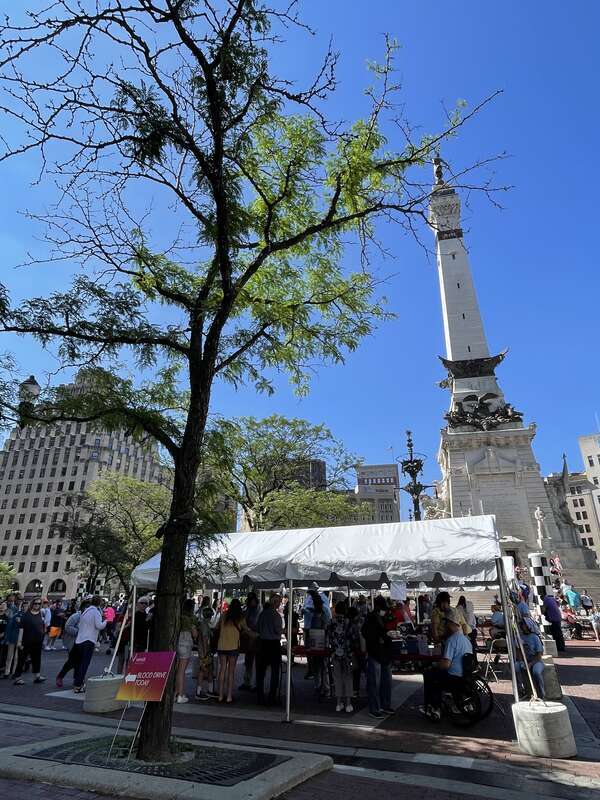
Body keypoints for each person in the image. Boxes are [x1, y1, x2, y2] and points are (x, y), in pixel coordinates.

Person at [421, 607, 472, 722]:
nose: (444, 626)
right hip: (465, 675)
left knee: (430, 675)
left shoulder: (452, 640)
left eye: (446, 623)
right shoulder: (466, 640)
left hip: (453, 677)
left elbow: (445, 665)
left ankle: (435, 707)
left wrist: (435, 665)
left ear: (450, 624)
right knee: (435, 673)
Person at [361, 595, 393, 720]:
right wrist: (378, 638)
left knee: (385, 682)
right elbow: (366, 633)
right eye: (383, 608)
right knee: (375, 683)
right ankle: (374, 708)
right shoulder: (371, 618)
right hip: (376, 653)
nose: (385, 611)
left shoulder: (383, 617)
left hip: (384, 654)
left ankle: (385, 705)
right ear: (379, 607)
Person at [328, 602, 359, 712]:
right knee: (348, 678)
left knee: (337, 679)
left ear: (336, 610)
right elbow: (354, 639)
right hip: (348, 655)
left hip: (335, 654)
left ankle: (338, 703)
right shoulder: (349, 623)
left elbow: (328, 639)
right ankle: (348, 704)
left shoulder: (331, 623)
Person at [216, 597, 247, 703]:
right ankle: (229, 696)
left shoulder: (224, 615)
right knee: (231, 671)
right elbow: (246, 630)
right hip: (233, 647)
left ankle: (220, 695)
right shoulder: (240, 618)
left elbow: (216, 627)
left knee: (222, 669)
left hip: (221, 646)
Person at [72, 596, 107, 692]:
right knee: (84, 664)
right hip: (89, 640)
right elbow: (99, 625)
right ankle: (78, 685)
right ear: (99, 603)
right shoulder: (96, 612)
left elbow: (81, 625)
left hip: (80, 639)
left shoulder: (85, 611)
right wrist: (106, 621)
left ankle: (77, 683)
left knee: (79, 663)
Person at [255, 593, 283, 706]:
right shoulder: (276, 616)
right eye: (279, 601)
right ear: (275, 603)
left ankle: (260, 697)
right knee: (275, 672)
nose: (280, 603)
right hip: (273, 645)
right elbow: (278, 631)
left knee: (260, 672)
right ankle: (272, 697)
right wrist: (283, 630)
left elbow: (257, 628)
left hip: (262, 644)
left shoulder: (262, 614)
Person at [56, 599, 90, 687]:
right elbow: (67, 626)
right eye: (87, 607)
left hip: (84, 643)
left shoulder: (89, 617)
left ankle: (77, 680)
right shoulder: (76, 616)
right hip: (74, 642)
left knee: (81, 662)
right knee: (72, 662)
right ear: (83, 608)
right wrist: (78, 632)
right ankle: (60, 676)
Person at [13, 597, 46, 686]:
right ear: (32, 604)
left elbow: (42, 626)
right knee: (21, 660)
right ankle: (17, 678)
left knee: (36, 659)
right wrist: (19, 642)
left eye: (39, 604)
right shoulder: (26, 615)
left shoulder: (41, 613)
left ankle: (37, 676)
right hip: (26, 641)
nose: (37, 605)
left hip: (38, 641)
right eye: (35, 603)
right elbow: (21, 629)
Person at [515, 619, 545, 699]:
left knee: (536, 672)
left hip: (536, 661)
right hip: (524, 661)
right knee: (516, 667)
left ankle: (541, 692)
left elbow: (539, 655)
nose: (522, 627)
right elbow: (519, 651)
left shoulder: (535, 638)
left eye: (524, 625)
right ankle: (521, 689)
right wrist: (521, 662)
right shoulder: (519, 637)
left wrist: (530, 664)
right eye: (522, 625)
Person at [175, 598, 197, 704]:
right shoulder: (190, 619)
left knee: (178, 669)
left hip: (178, 641)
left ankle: (176, 692)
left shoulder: (179, 617)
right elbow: (195, 634)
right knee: (182, 671)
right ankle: (180, 694)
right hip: (186, 642)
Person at [240, 592, 261, 691]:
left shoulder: (258, 609)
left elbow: (254, 622)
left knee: (257, 661)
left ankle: (257, 684)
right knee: (248, 661)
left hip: (256, 637)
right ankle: (247, 682)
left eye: (252, 600)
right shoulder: (249, 609)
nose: (251, 602)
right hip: (250, 636)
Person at [195, 605, 216, 700]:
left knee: (209, 670)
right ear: (210, 615)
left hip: (204, 651)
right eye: (211, 615)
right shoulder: (204, 625)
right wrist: (206, 652)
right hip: (204, 652)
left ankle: (209, 690)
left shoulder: (204, 624)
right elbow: (204, 639)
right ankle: (199, 692)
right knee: (203, 671)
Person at [3, 596, 22, 678]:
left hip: (19, 637)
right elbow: (9, 626)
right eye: (10, 600)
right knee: (9, 656)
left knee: (17, 657)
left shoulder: (21, 612)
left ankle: (14, 672)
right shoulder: (10, 610)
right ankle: (7, 672)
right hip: (11, 636)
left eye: (13, 601)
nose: (12, 602)